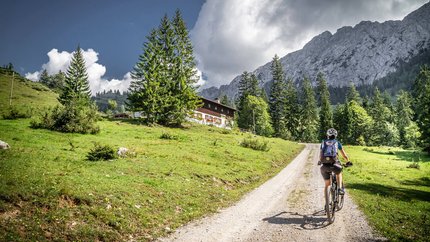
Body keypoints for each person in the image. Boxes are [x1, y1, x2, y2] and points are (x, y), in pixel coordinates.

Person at [318, 128, 352, 195]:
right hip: (334, 165)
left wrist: (320, 161)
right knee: (339, 173)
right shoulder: (337, 143)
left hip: (324, 167)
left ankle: (327, 204)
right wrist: (348, 161)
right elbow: (344, 155)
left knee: (327, 185)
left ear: (327, 135)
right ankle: (339, 189)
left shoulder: (323, 142)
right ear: (336, 135)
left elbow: (320, 155)